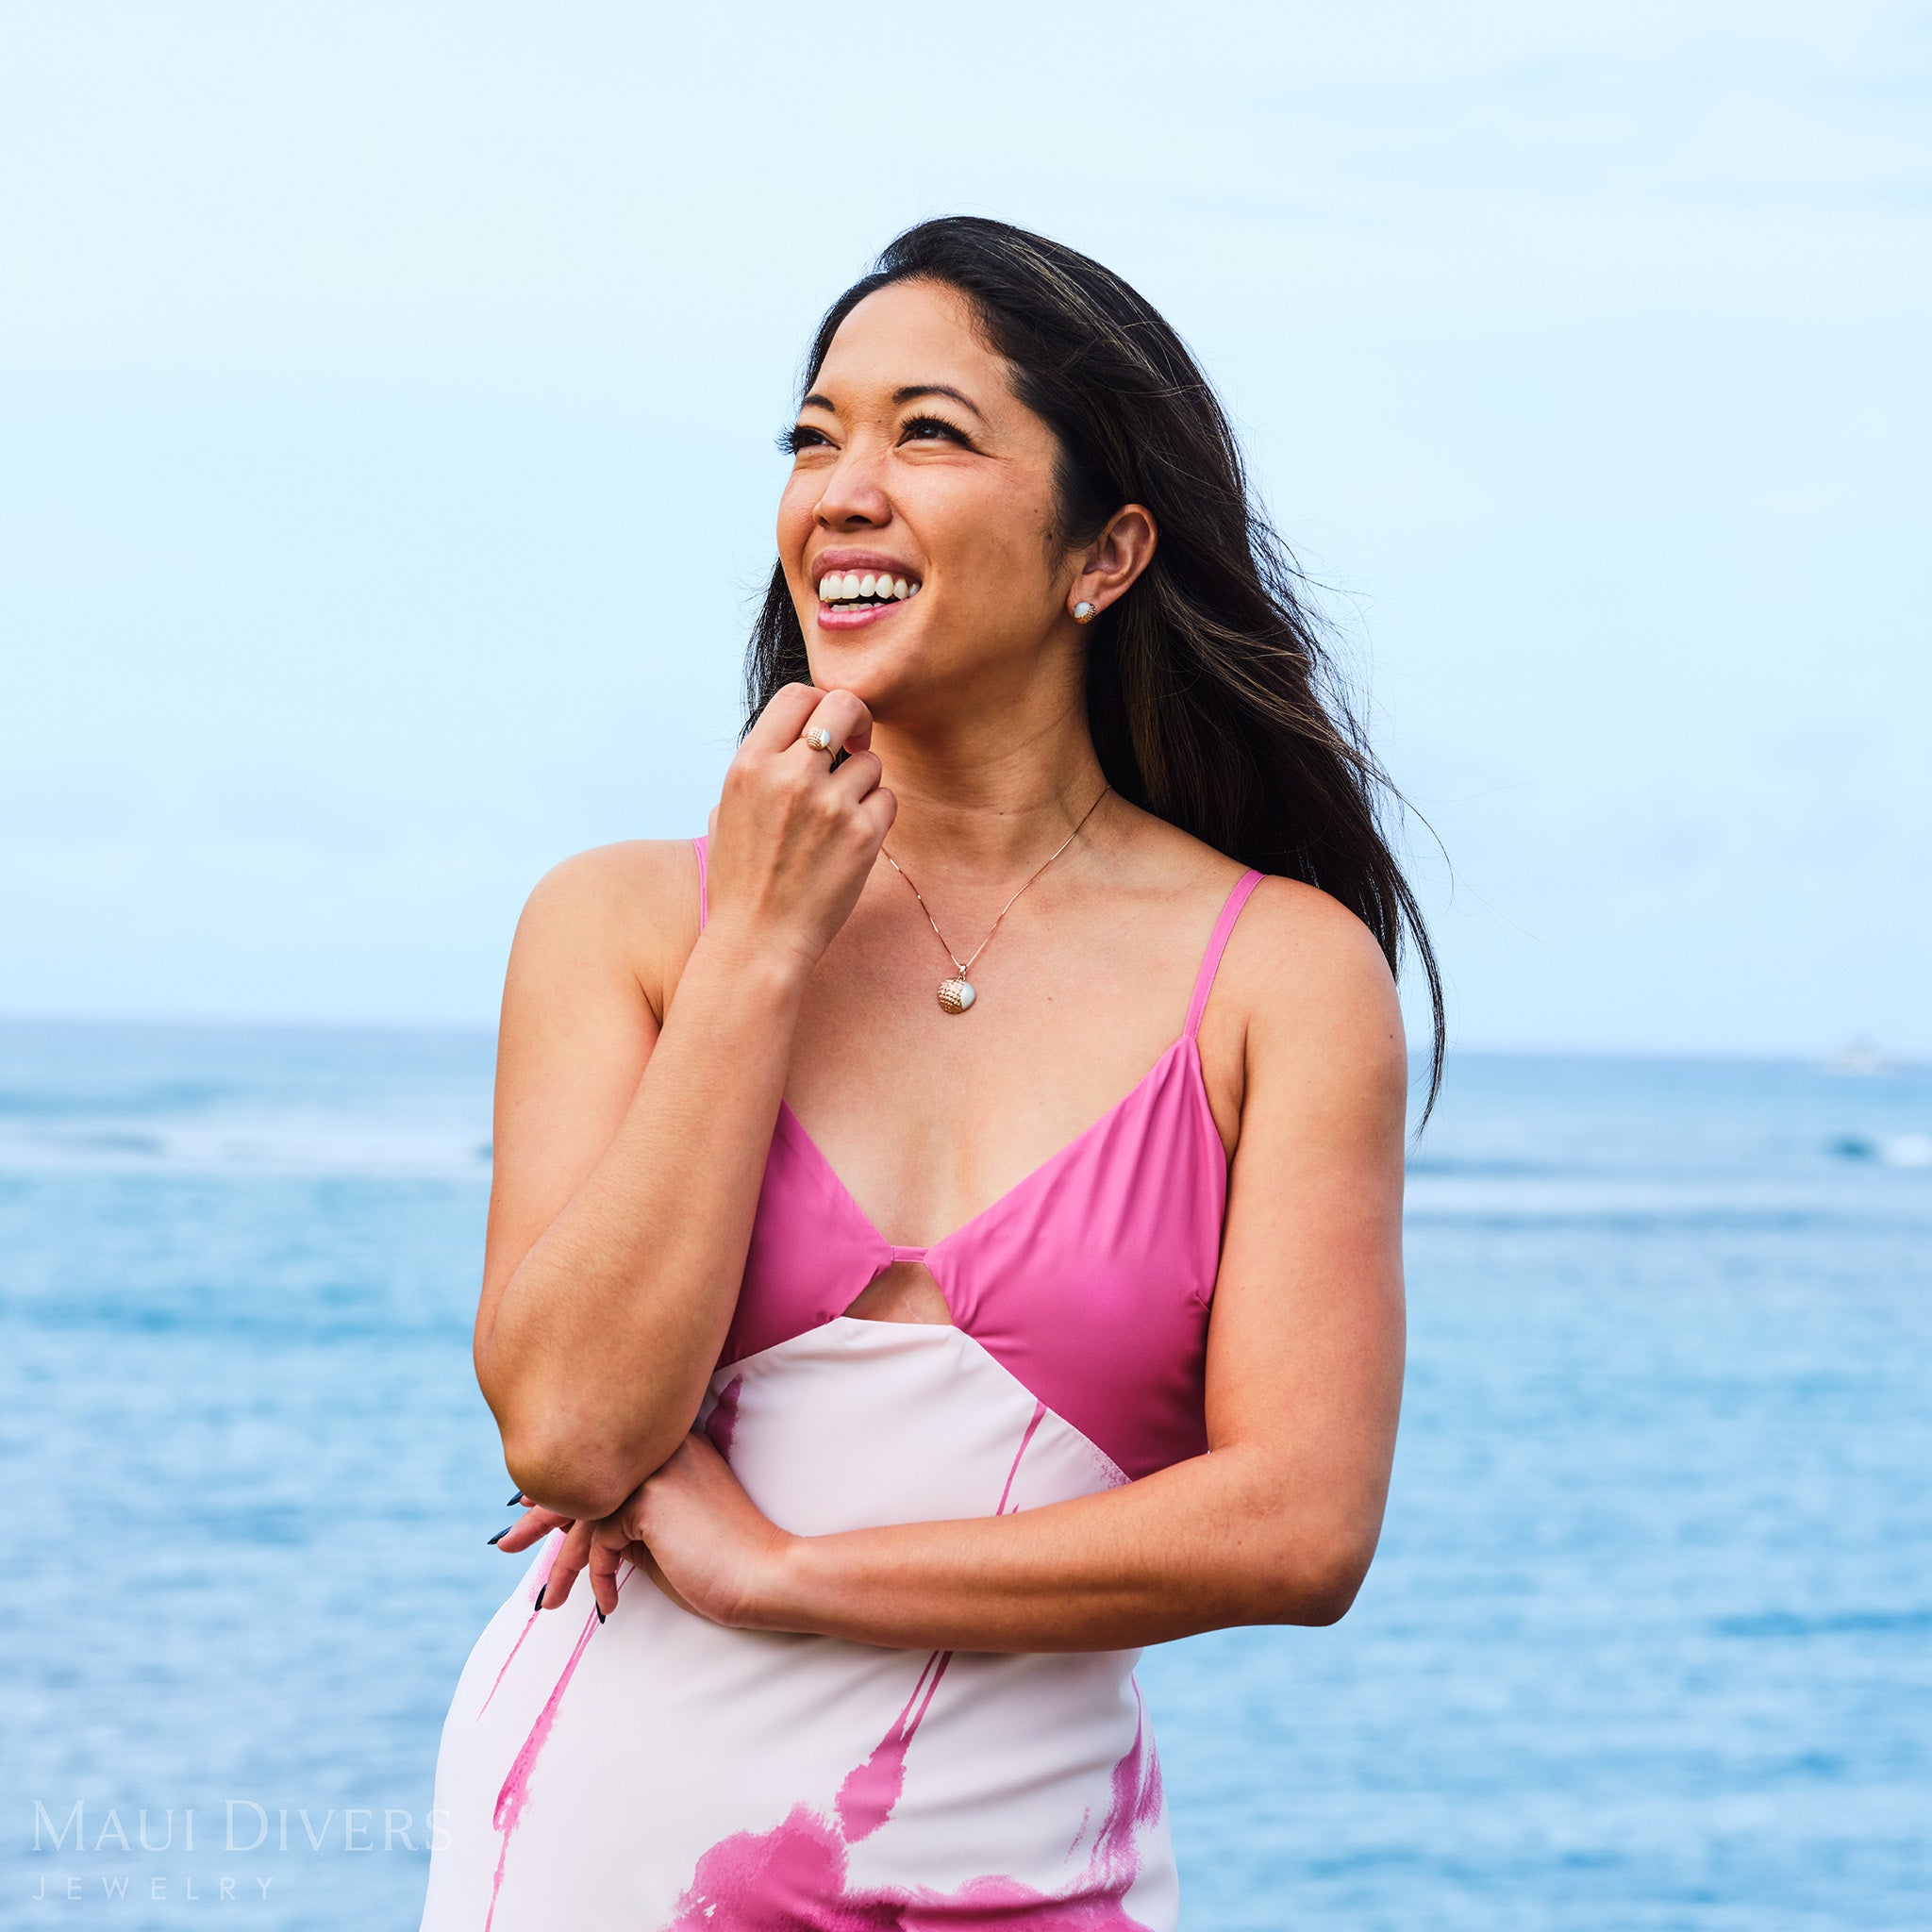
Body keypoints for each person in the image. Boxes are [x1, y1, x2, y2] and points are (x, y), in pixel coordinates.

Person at [418, 215, 1434, 1931]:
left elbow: (1299, 1525)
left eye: (928, 433)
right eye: (815, 438)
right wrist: (761, 948)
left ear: (1103, 554)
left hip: (1041, 1872)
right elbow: (573, 1427)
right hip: (600, 1847)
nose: (842, 489)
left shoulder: (1281, 976)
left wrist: (791, 1576)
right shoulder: (629, 927)